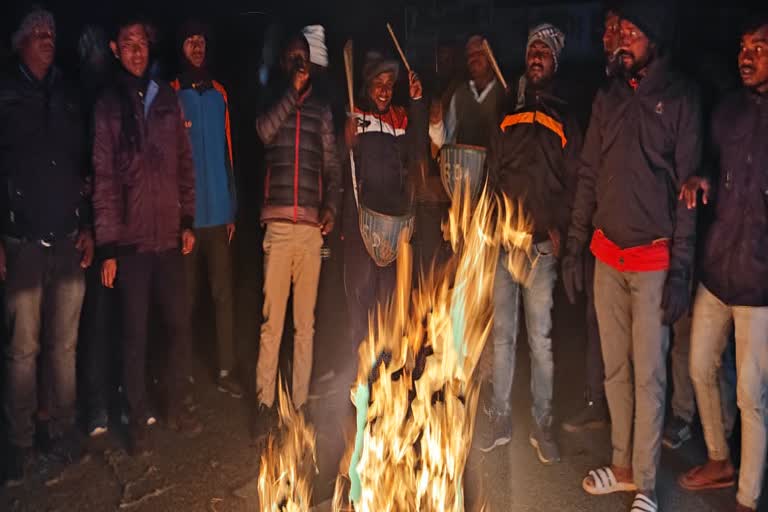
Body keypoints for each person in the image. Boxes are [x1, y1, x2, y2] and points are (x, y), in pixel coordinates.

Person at [561, 2, 702, 510]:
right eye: (617, 32)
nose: (620, 40)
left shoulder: (680, 97)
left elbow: (688, 191)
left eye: (631, 33)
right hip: (606, 255)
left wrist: (682, 271)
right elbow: (588, 174)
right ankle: (622, 465)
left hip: (652, 262)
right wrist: (577, 244)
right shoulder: (609, 96)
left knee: (650, 375)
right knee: (616, 371)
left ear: (654, 40)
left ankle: (646, 482)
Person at [93, 18, 201, 455]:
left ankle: (175, 405)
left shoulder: (166, 97)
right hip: (132, 243)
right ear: (115, 49)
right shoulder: (107, 103)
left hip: (169, 238)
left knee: (178, 325)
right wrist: (108, 247)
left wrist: (188, 218)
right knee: (133, 334)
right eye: (128, 45)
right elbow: (103, 178)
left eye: (142, 44)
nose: (137, 51)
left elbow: (183, 162)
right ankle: (136, 418)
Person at [677, 15, 768, 512]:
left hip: (760, 284)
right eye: (743, 46)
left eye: (759, 47)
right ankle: (719, 457)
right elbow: (713, 161)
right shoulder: (728, 109)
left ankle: (748, 497)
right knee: (699, 368)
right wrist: (703, 179)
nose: (746, 55)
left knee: (752, 396)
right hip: (716, 271)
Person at [0, 7, 94, 485]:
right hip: (22, 241)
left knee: (64, 346)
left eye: (51, 32)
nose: (46, 38)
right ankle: (19, 444)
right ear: (19, 42)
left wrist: (87, 225)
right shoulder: (7, 92)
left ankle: (61, 430)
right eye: (36, 33)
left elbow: (83, 167)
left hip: (66, 235)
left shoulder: (68, 92)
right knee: (22, 349)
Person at [481, 24, 579, 465]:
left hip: (541, 247)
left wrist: (562, 229)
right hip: (504, 243)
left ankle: (542, 421)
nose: (536, 55)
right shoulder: (508, 109)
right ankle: (500, 418)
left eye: (545, 50)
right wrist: (485, 223)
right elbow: (492, 173)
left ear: (556, 61)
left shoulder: (565, 115)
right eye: (533, 48)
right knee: (503, 337)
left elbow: (577, 181)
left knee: (540, 340)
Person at [253, 33, 340, 435]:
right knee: (273, 322)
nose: (298, 64)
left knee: (305, 325)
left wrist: (331, 209)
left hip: (309, 232)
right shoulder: (274, 101)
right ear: (285, 64)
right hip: (278, 228)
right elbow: (264, 132)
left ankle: (300, 404)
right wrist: (290, 92)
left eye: (302, 58)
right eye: (291, 58)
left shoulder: (322, 110)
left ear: (311, 62)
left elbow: (333, 167)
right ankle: (264, 404)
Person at [171, 20, 242, 399]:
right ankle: (180, 375)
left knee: (223, 295)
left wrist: (231, 207)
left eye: (201, 41)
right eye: (190, 41)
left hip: (218, 216)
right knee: (185, 298)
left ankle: (226, 368)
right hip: (187, 219)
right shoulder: (172, 93)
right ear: (181, 48)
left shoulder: (219, 93)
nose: (197, 47)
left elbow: (229, 152)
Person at [341, 51, 427, 351]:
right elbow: (340, 166)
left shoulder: (400, 118)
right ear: (367, 84)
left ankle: (384, 379)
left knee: (388, 304)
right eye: (379, 82)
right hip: (361, 226)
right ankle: (359, 379)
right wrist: (346, 140)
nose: (384, 90)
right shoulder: (354, 116)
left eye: (390, 83)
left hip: (391, 226)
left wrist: (418, 103)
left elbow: (418, 149)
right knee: (359, 303)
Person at [561, 7, 619, 434]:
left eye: (619, 30)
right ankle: (596, 402)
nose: (610, 38)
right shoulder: (600, 94)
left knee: (635, 341)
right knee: (596, 324)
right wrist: (577, 240)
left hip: (644, 245)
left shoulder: (669, 97)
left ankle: (630, 426)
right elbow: (584, 174)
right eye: (606, 31)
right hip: (601, 237)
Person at [428, 34, 506, 150]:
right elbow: (445, 142)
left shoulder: (506, 94)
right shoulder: (460, 94)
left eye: (479, 53)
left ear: (491, 56)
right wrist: (436, 124)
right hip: (463, 167)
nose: (473, 59)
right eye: (470, 55)